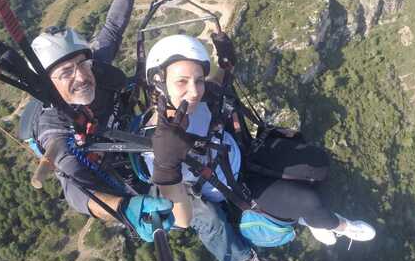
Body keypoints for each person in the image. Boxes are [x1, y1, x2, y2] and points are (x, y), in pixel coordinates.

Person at [29, 0, 287, 261]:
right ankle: (241, 256)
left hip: (137, 132)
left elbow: (115, 23)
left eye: (82, 65)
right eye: (65, 73)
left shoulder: (96, 70)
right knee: (205, 215)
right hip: (125, 174)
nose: (81, 77)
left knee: (203, 117)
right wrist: (124, 208)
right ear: (49, 84)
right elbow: (74, 185)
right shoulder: (54, 127)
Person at [143, 34, 376, 247]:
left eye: (198, 80)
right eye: (181, 82)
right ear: (159, 83)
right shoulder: (156, 146)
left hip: (244, 154)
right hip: (237, 188)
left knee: (318, 162)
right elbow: (182, 219)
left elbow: (220, 79)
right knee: (309, 201)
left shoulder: (200, 98)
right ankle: (339, 226)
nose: (194, 91)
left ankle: (311, 215)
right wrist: (166, 164)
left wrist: (226, 61)